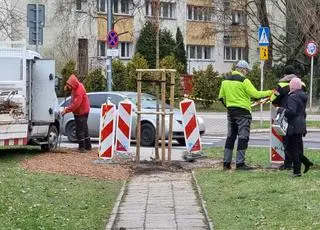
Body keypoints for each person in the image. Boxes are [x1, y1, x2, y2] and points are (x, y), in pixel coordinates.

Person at [219, 60, 273, 170]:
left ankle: (226, 163)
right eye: (246, 70)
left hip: (231, 112)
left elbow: (221, 97)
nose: (246, 72)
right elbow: (256, 94)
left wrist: (230, 106)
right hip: (243, 112)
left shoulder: (225, 81)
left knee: (231, 137)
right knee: (243, 138)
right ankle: (240, 163)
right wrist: (269, 92)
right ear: (243, 69)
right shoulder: (244, 81)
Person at [271, 65, 306, 170]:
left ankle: (288, 164)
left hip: (286, 116)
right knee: (298, 141)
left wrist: (280, 107)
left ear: (285, 74)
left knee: (288, 142)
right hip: (300, 116)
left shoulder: (281, 85)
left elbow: (273, 99)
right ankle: (300, 162)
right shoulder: (302, 84)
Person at [277, 77, 313, 177]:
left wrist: (281, 110)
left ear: (292, 86)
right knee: (295, 148)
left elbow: (291, 112)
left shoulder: (293, 97)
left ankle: (297, 171)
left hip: (293, 125)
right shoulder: (302, 95)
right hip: (300, 124)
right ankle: (306, 162)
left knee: (290, 148)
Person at [61, 74, 91, 152]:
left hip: (81, 112)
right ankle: (88, 146)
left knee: (79, 130)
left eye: (69, 85)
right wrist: (68, 89)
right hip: (84, 110)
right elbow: (72, 92)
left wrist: (66, 110)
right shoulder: (77, 86)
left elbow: (75, 104)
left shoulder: (78, 92)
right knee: (84, 129)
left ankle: (82, 148)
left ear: (72, 84)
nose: (68, 86)